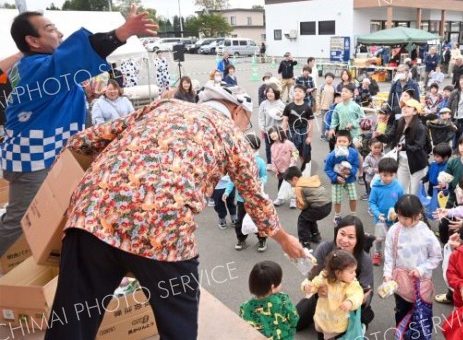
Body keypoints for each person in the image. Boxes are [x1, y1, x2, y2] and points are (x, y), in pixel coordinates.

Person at [44, 84, 305, 339]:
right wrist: (283, 239)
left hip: (93, 212)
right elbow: (255, 196)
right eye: (245, 121)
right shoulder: (231, 134)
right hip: (162, 229)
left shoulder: (163, 105)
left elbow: (86, 140)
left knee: (72, 319)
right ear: (236, 111)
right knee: (177, 323)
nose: (243, 127)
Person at [0, 7, 156, 257]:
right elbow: (75, 57)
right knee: (19, 221)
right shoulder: (38, 69)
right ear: (32, 41)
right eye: (50, 29)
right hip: (32, 160)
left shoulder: (30, 64)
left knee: (65, 209)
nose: (60, 33)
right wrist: (122, 32)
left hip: (47, 155)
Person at [295, 215, 374, 332]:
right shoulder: (325, 248)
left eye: (351, 237)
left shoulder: (365, 259)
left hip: (348, 300)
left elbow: (367, 292)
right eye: (342, 234)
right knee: (297, 322)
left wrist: (358, 300)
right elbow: (313, 277)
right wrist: (315, 290)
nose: (345, 240)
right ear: (336, 232)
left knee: (362, 319)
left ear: (358, 240)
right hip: (325, 296)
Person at [383, 195, 442, 326]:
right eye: (399, 215)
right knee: (401, 312)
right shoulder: (394, 230)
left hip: (420, 285)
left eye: (405, 217)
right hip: (400, 284)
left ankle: (419, 334)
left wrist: (420, 269)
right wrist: (387, 274)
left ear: (418, 215)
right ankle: (402, 333)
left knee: (421, 314)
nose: (401, 220)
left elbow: (436, 256)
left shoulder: (426, 234)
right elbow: (389, 255)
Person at [301, 250, 364, 339]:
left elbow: (357, 294)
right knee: (320, 336)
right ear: (338, 273)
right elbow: (313, 283)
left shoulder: (351, 284)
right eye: (351, 272)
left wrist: (350, 302)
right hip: (321, 319)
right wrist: (307, 287)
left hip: (337, 325)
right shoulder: (324, 277)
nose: (355, 274)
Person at [225, 133, 268, 252]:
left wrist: (261, 181)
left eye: (247, 145)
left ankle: (262, 239)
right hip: (241, 198)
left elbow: (264, 175)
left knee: (258, 220)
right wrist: (227, 192)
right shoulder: (239, 161)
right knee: (239, 222)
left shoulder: (259, 162)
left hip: (255, 198)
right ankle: (241, 239)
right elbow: (234, 178)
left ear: (255, 147)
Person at [377, 99, 430, 195]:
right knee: (402, 190)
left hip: (417, 163)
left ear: (415, 111)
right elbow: (389, 138)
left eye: (408, 106)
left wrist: (405, 147)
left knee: (414, 193)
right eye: (403, 106)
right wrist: (379, 135)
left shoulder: (420, 127)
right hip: (401, 160)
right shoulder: (398, 122)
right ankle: (403, 209)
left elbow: (419, 146)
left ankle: (415, 209)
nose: (404, 108)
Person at [240, 261, 299, 340]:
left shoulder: (245, 308)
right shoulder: (283, 299)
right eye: (280, 281)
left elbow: (245, 329)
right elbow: (294, 318)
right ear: (273, 287)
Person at [284, 166, 332, 249]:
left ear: (295, 179)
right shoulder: (309, 180)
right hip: (328, 204)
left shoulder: (298, 186)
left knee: (302, 219)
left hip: (319, 207)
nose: (291, 185)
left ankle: (305, 242)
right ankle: (315, 235)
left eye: (290, 182)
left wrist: (299, 205)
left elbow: (303, 205)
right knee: (309, 217)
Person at [368, 157, 405, 266]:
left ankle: (393, 255)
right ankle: (377, 253)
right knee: (379, 238)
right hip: (380, 219)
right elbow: (372, 203)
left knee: (394, 238)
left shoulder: (398, 187)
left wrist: (399, 213)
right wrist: (377, 213)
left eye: (391, 175)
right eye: (385, 175)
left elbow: (401, 201)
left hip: (394, 219)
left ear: (395, 174)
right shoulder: (376, 188)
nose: (388, 178)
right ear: (379, 173)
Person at [325, 130, 360, 227]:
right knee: (337, 199)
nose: (342, 143)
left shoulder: (353, 153)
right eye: (339, 141)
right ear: (336, 142)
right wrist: (335, 177)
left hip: (349, 179)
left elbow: (356, 165)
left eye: (344, 141)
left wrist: (351, 171)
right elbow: (327, 168)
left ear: (349, 142)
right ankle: (337, 216)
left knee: (353, 197)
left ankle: (353, 215)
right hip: (336, 181)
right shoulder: (332, 155)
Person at [282, 85, 314, 173]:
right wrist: (283, 135)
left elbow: (311, 123)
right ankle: (293, 173)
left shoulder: (307, 107)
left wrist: (310, 137)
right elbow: (285, 121)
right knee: (293, 153)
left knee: (304, 153)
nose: (297, 93)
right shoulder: (288, 106)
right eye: (295, 91)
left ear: (304, 94)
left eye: (300, 91)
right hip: (292, 133)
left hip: (304, 133)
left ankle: (304, 171)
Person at [258, 85, 285, 168]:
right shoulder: (263, 103)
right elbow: (261, 116)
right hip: (268, 130)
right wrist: (261, 126)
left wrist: (281, 115)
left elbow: (285, 116)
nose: (270, 94)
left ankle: (280, 162)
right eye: (268, 92)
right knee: (268, 146)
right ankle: (269, 162)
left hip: (278, 130)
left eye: (272, 92)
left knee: (280, 146)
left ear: (276, 93)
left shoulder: (280, 103)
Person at [269, 126, 298, 195]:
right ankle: (280, 198)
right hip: (280, 170)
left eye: (274, 132)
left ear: (280, 132)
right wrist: (275, 169)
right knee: (281, 185)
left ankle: (293, 200)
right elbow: (273, 159)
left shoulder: (288, 143)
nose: (272, 134)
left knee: (292, 185)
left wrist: (292, 163)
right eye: (270, 133)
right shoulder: (272, 146)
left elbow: (295, 152)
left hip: (290, 168)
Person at [317, 73, 336, 141]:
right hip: (323, 107)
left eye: (330, 77)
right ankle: (323, 135)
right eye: (327, 77)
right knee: (324, 121)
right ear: (325, 78)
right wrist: (318, 104)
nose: (329, 78)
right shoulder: (322, 86)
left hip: (331, 108)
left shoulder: (334, 87)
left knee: (330, 122)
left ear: (333, 79)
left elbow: (335, 97)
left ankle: (328, 135)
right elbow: (318, 96)